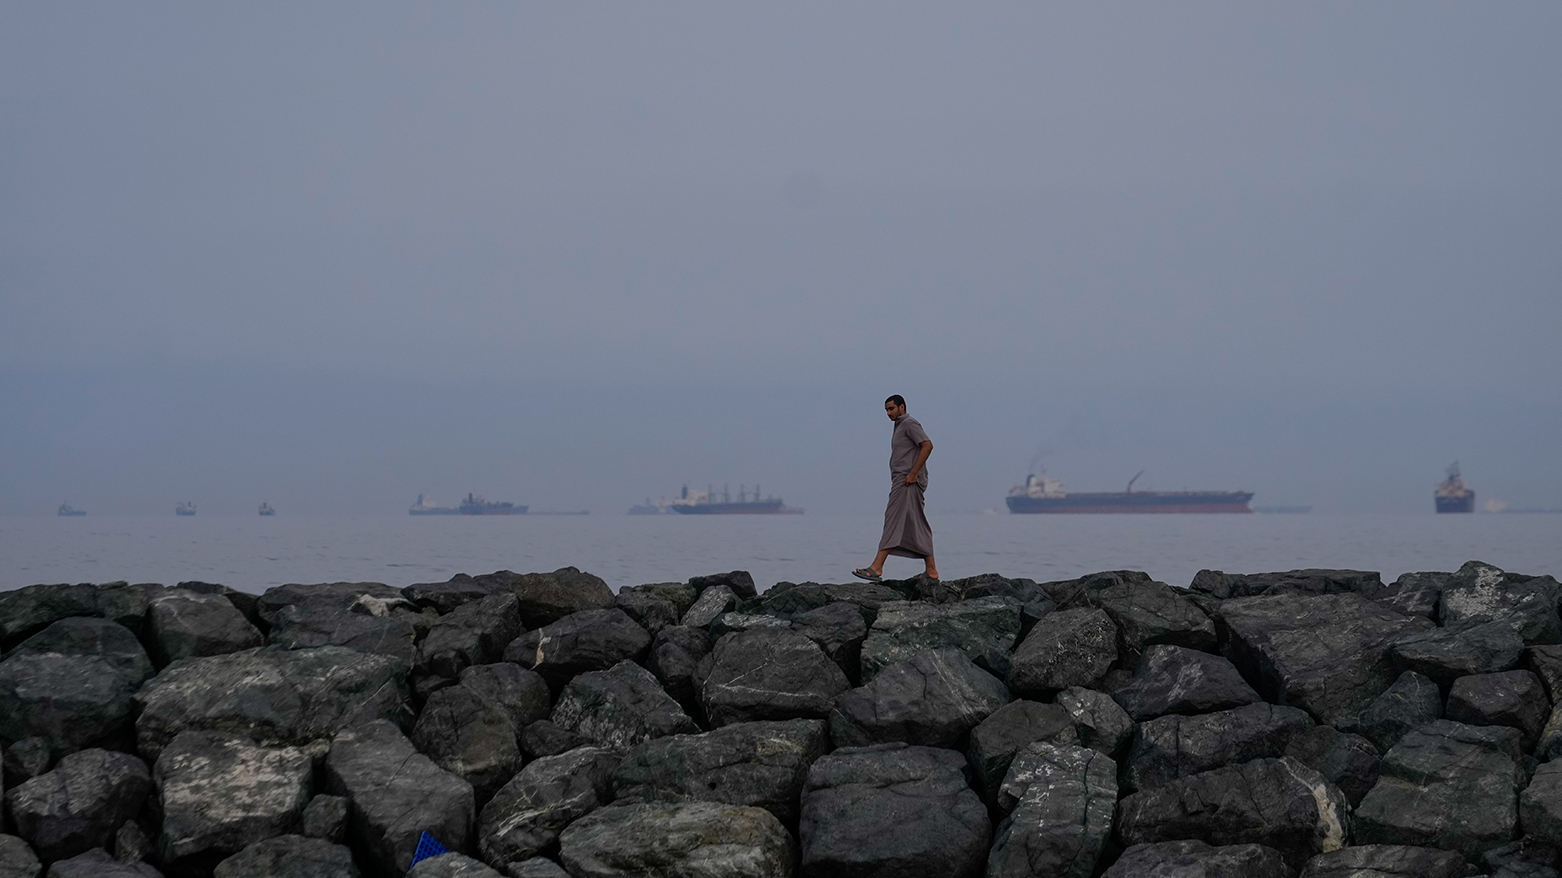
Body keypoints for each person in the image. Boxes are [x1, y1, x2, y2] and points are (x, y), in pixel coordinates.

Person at [854, 394, 938, 581]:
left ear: (902, 407)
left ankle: (877, 567)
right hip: (903, 480)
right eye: (886, 410)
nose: (888, 413)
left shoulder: (909, 423)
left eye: (891, 409)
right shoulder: (900, 426)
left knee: (892, 520)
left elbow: (927, 445)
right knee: (917, 523)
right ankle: (931, 570)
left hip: (907, 481)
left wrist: (913, 473)